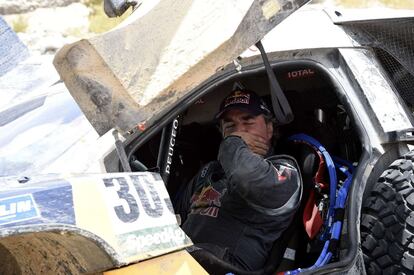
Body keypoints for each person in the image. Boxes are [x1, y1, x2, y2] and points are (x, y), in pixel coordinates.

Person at [177, 88, 302, 271]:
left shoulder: (284, 170)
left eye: (248, 122)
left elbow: (246, 178)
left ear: (269, 129)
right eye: (230, 126)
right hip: (179, 262)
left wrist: (233, 141)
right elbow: (174, 217)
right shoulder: (208, 171)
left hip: (227, 268)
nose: (239, 132)